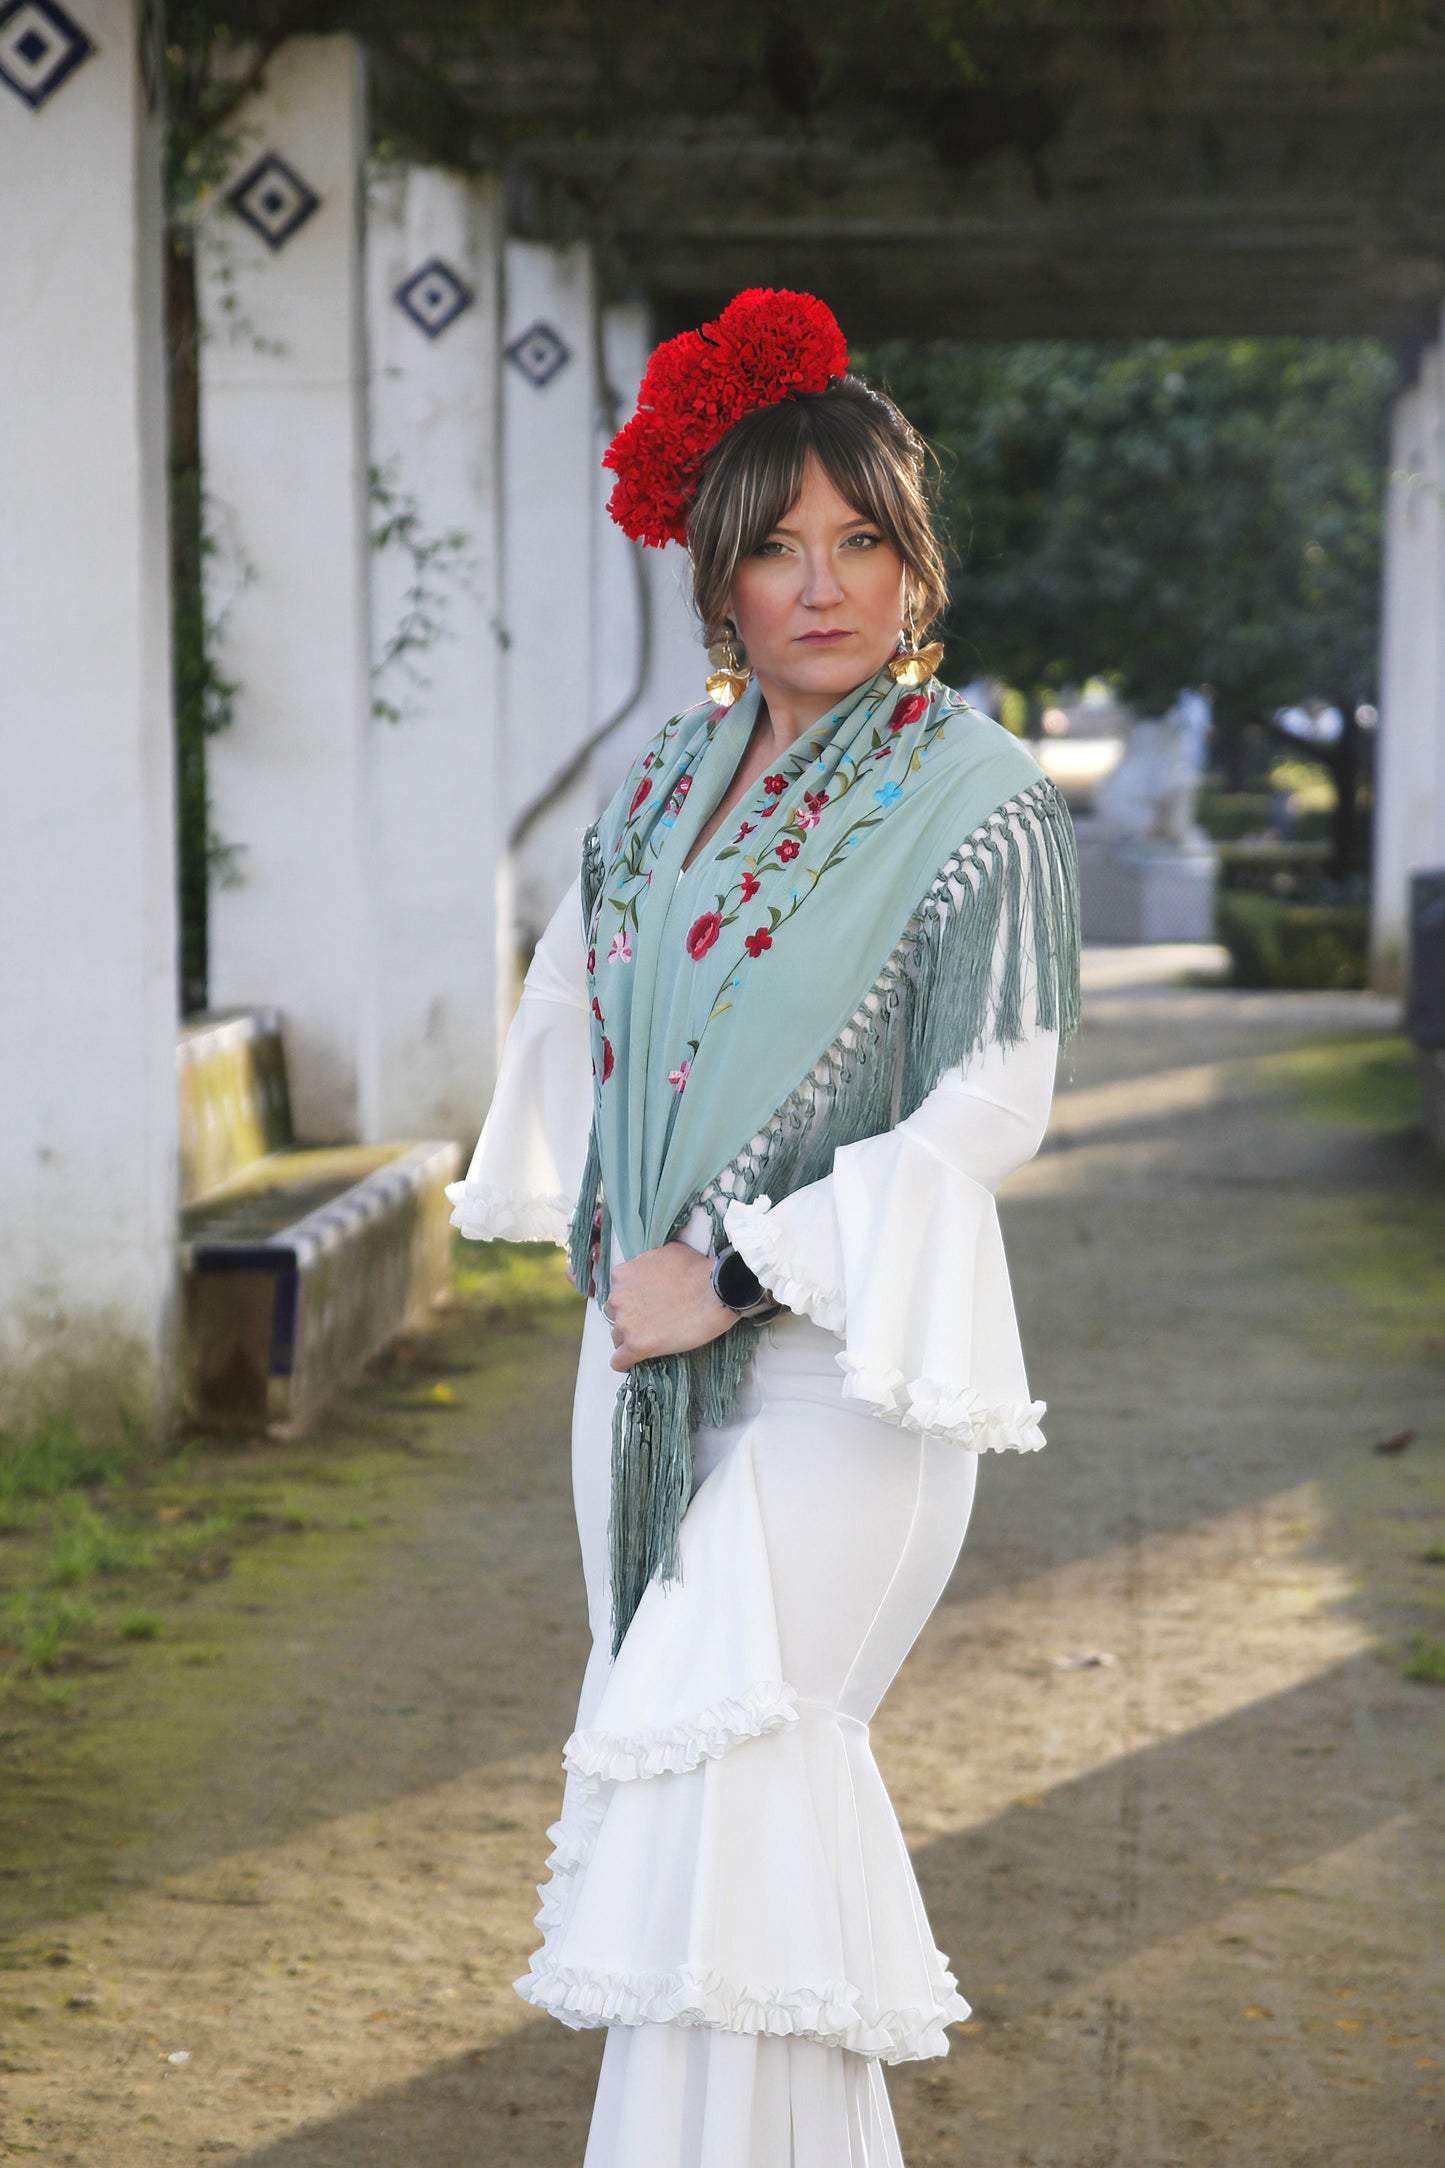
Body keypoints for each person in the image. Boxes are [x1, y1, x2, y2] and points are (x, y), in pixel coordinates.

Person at [448, 288, 1081, 2168]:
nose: (820, 584)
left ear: (913, 566)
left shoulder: (975, 797)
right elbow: (568, 1014)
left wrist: (725, 1270)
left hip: (837, 1365)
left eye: (859, 542)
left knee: (732, 1774)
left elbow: (995, 1107)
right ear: (714, 578)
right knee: (722, 1858)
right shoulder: (650, 791)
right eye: (775, 548)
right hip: (636, 1360)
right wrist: (608, 1231)